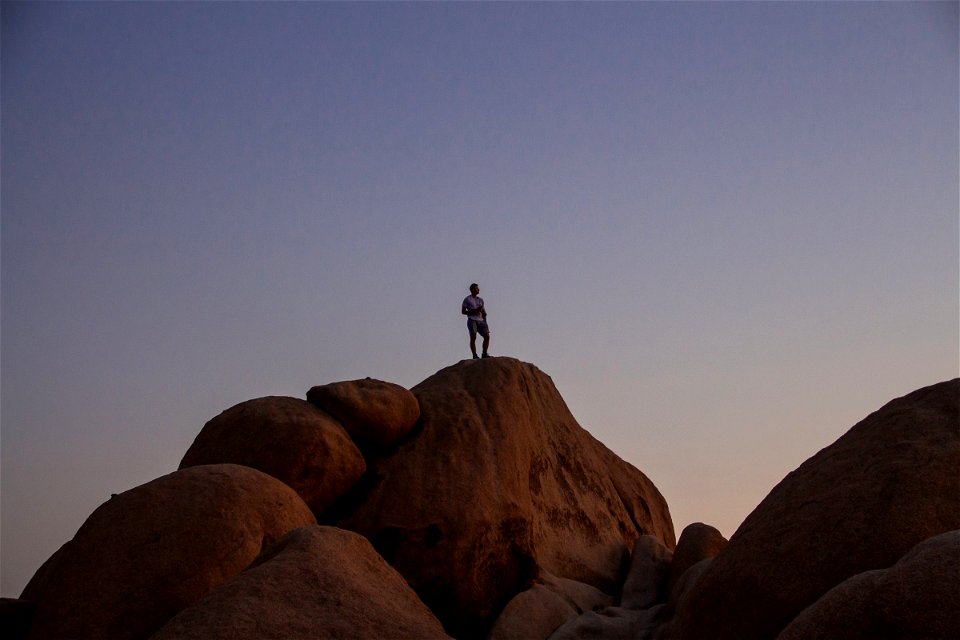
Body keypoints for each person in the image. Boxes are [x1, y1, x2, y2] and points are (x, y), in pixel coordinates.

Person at [461, 283, 490, 359]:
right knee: (473, 337)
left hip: (481, 320)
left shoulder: (480, 300)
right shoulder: (467, 299)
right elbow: (463, 311)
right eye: (477, 288)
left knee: (487, 336)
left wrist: (485, 322)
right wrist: (473, 312)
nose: (478, 290)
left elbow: (483, 312)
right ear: (472, 289)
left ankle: (484, 353)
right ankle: (474, 354)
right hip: (472, 319)